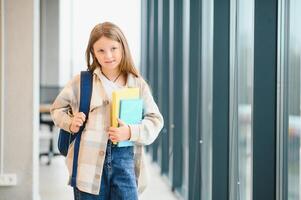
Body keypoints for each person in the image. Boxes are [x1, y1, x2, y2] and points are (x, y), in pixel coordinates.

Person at [50, 22, 164, 200]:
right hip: (87, 166)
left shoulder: (137, 83)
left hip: (126, 164)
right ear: (93, 52)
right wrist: (70, 123)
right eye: (101, 50)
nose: (108, 55)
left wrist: (130, 132)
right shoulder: (82, 82)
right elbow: (57, 109)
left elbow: (155, 120)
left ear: (123, 48)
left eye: (113, 48)